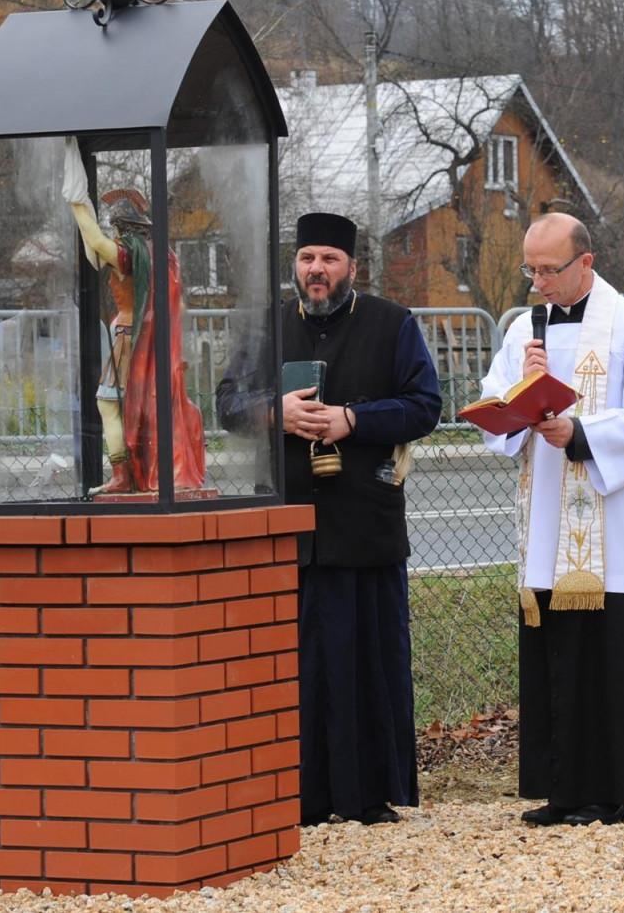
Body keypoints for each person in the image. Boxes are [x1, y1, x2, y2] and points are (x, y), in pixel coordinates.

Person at [217, 212, 441, 825]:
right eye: (308, 258)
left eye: (330, 259)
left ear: (352, 267)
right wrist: (274, 413)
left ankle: (367, 796)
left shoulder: (392, 324)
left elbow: (425, 406)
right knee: (295, 667)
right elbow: (227, 403)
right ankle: (298, 796)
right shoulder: (268, 326)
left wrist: (353, 420)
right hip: (285, 523)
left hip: (362, 526)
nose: (317, 270)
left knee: (365, 665)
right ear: (296, 264)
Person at [478, 213, 624, 826]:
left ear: (585, 262)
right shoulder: (524, 330)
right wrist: (518, 397)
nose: (537, 281)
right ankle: (563, 788)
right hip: (547, 520)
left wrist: (581, 434)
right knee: (556, 657)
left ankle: (615, 790)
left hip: (611, 523)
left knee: (608, 656)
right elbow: (495, 401)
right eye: (531, 269)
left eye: (549, 269)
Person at [62, 138, 206, 494]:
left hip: (129, 338)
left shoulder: (131, 253)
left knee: (109, 403)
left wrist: (77, 204)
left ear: (122, 227)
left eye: (114, 227)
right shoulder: (162, 255)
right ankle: (130, 474)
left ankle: (122, 475)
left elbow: (96, 243)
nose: (113, 234)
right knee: (133, 407)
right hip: (140, 337)